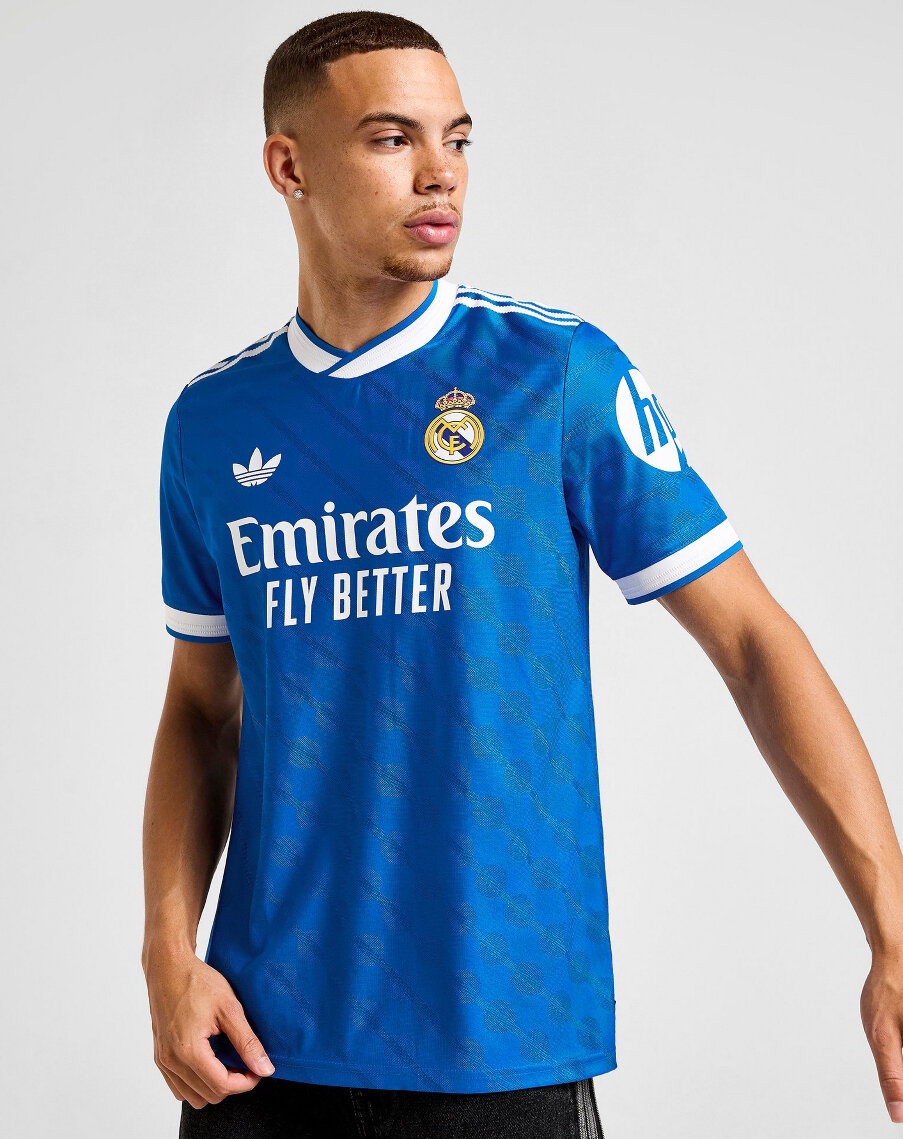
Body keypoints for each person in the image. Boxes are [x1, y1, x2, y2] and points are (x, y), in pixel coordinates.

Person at [141, 10, 903, 1137]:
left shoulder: (554, 376)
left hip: (500, 1041)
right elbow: (203, 710)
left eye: (457, 138)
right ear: (287, 166)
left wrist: (892, 933)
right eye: (392, 138)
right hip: (259, 1045)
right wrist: (166, 955)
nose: (441, 172)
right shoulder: (213, 422)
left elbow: (751, 639)